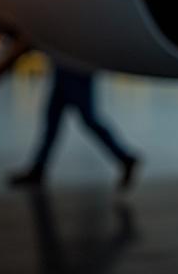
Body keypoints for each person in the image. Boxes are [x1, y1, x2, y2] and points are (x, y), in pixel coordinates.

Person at [9, 60, 139, 190]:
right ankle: (38, 168)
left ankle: (124, 157)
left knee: (86, 119)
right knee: (54, 120)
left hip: (75, 68)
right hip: (67, 67)